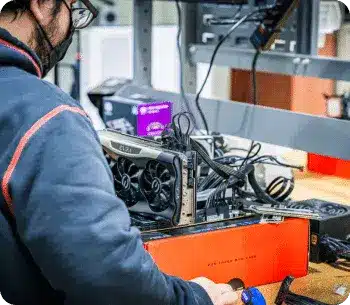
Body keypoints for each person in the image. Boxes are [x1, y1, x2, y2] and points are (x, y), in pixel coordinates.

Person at [0, 0, 240, 304]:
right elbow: (108, 277)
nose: (73, 24)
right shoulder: (46, 117)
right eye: (74, 9)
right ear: (43, 3)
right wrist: (190, 299)